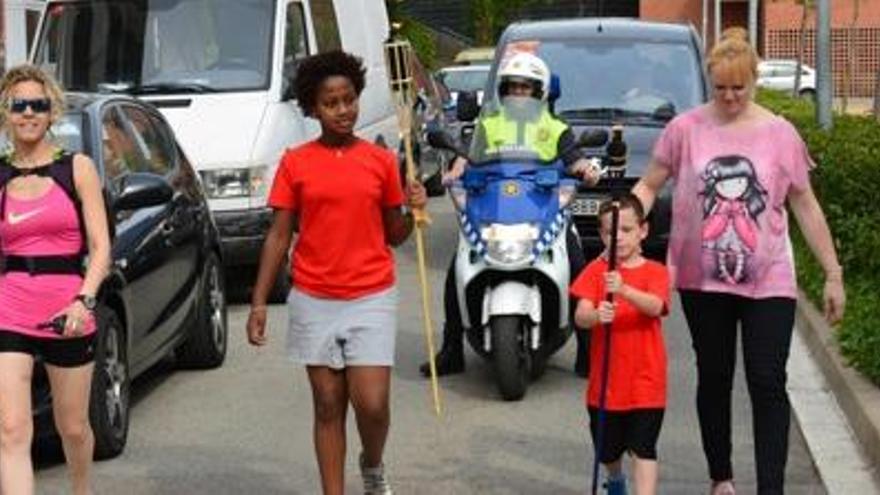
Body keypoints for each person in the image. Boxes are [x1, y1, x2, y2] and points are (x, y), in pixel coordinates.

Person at [632, 36, 846, 495]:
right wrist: (623, 218)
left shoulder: (780, 133)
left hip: (770, 277)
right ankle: (721, 478)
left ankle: (771, 488)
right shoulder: (684, 129)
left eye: (739, 88)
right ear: (710, 82)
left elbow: (805, 205)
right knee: (714, 376)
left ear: (754, 82)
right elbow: (650, 185)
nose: (729, 98)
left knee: (768, 379)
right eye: (721, 88)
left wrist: (833, 273)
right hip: (699, 278)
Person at [245, 50, 426, 495]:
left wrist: (413, 208)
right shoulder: (295, 162)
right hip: (313, 296)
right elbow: (278, 236)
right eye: (331, 103)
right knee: (328, 405)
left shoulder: (381, 161)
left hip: (370, 295)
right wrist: (259, 301)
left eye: (349, 99)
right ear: (312, 108)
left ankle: (373, 462)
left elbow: (395, 234)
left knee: (373, 405)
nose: (343, 110)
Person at [420, 52, 602, 378]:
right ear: (503, 91)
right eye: (512, 87)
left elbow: (574, 159)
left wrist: (585, 169)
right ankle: (451, 351)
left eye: (526, 88)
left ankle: (589, 352)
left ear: (540, 92)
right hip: (494, 207)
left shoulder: (555, 127)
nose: (519, 94)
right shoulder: (488, 125)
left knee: (578, 267)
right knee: (456, 271)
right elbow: (468, 159)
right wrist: (454, 172)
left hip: (546, 209)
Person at [0, 64, 111, 495]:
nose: (28, 113)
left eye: (38, 105)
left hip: (68, 311)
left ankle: (80, 489)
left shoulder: (76, 168)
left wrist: (83, 302)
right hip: (9, 311)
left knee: (73, 426)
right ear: (7, 113)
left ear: (51, 113)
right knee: (11, 430)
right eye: (19, 105)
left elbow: (101, 247)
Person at [571, 193, 669, 495]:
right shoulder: (595, 271)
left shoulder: (656, 271)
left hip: (646, 381)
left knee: (644, 448)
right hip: (607, 384)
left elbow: (656, 306)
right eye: (610, 232)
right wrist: (597, 315)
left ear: (643, 231)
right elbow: (580, 316)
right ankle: (614, 480)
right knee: (608, 450)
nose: (619, 238)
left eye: (626, 230)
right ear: (601, 235)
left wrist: (624, 290)